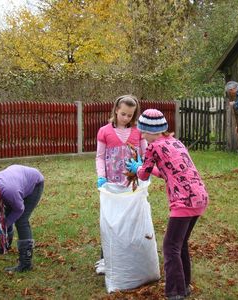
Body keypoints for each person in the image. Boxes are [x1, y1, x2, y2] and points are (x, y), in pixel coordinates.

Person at [126, 109, 209, 300]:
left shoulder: (152, 147)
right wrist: (143, 166)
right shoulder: (175, 142)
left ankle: (175, 292)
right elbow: (168, 171)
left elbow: (143, 175)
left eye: (143, 132)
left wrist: (137, 167)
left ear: (150, 132)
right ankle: (185, 285)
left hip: (183, 201)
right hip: (199, 196)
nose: (142, 136)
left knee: (170, 246)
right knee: (181, 244)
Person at [95, 94, 147, 274]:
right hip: (111, 185)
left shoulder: (138, 132)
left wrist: (141, 166)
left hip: (132, 184)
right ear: (116, 110)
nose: (126, 118)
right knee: (110, 221)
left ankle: (129, 256)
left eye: (130, 115)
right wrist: (101, 177)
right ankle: (105, 259)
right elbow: (100, 157)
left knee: (131, 220)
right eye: (123, 114)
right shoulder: (104, 131)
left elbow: (146, 155)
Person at [0, 165, 44, 273]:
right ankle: (4, 247)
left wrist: (4, 224)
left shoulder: (9, 192)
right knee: (5, 215)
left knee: (21, 220)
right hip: (17, 181)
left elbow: (19, 209)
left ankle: (26, 263)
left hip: (34, 183)